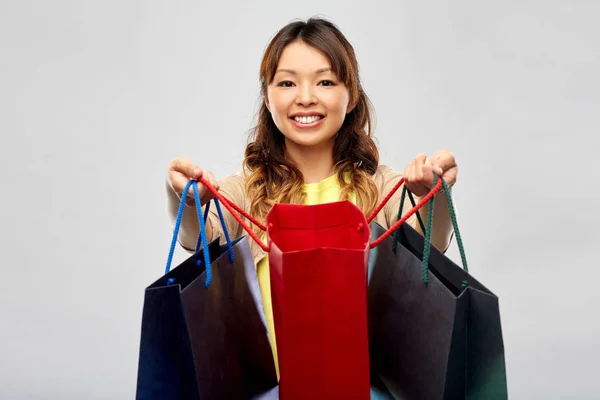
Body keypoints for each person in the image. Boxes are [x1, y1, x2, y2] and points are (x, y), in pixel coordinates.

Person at [165, 17, 458, 377]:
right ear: (268, 97)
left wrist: (434, 193)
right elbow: (195, 238)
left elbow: (434, 239)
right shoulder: (248, 190)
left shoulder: (379, 187)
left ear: (350, 97)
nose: (305, 98)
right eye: (287, 82)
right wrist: (188, 198)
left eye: (325, 81)